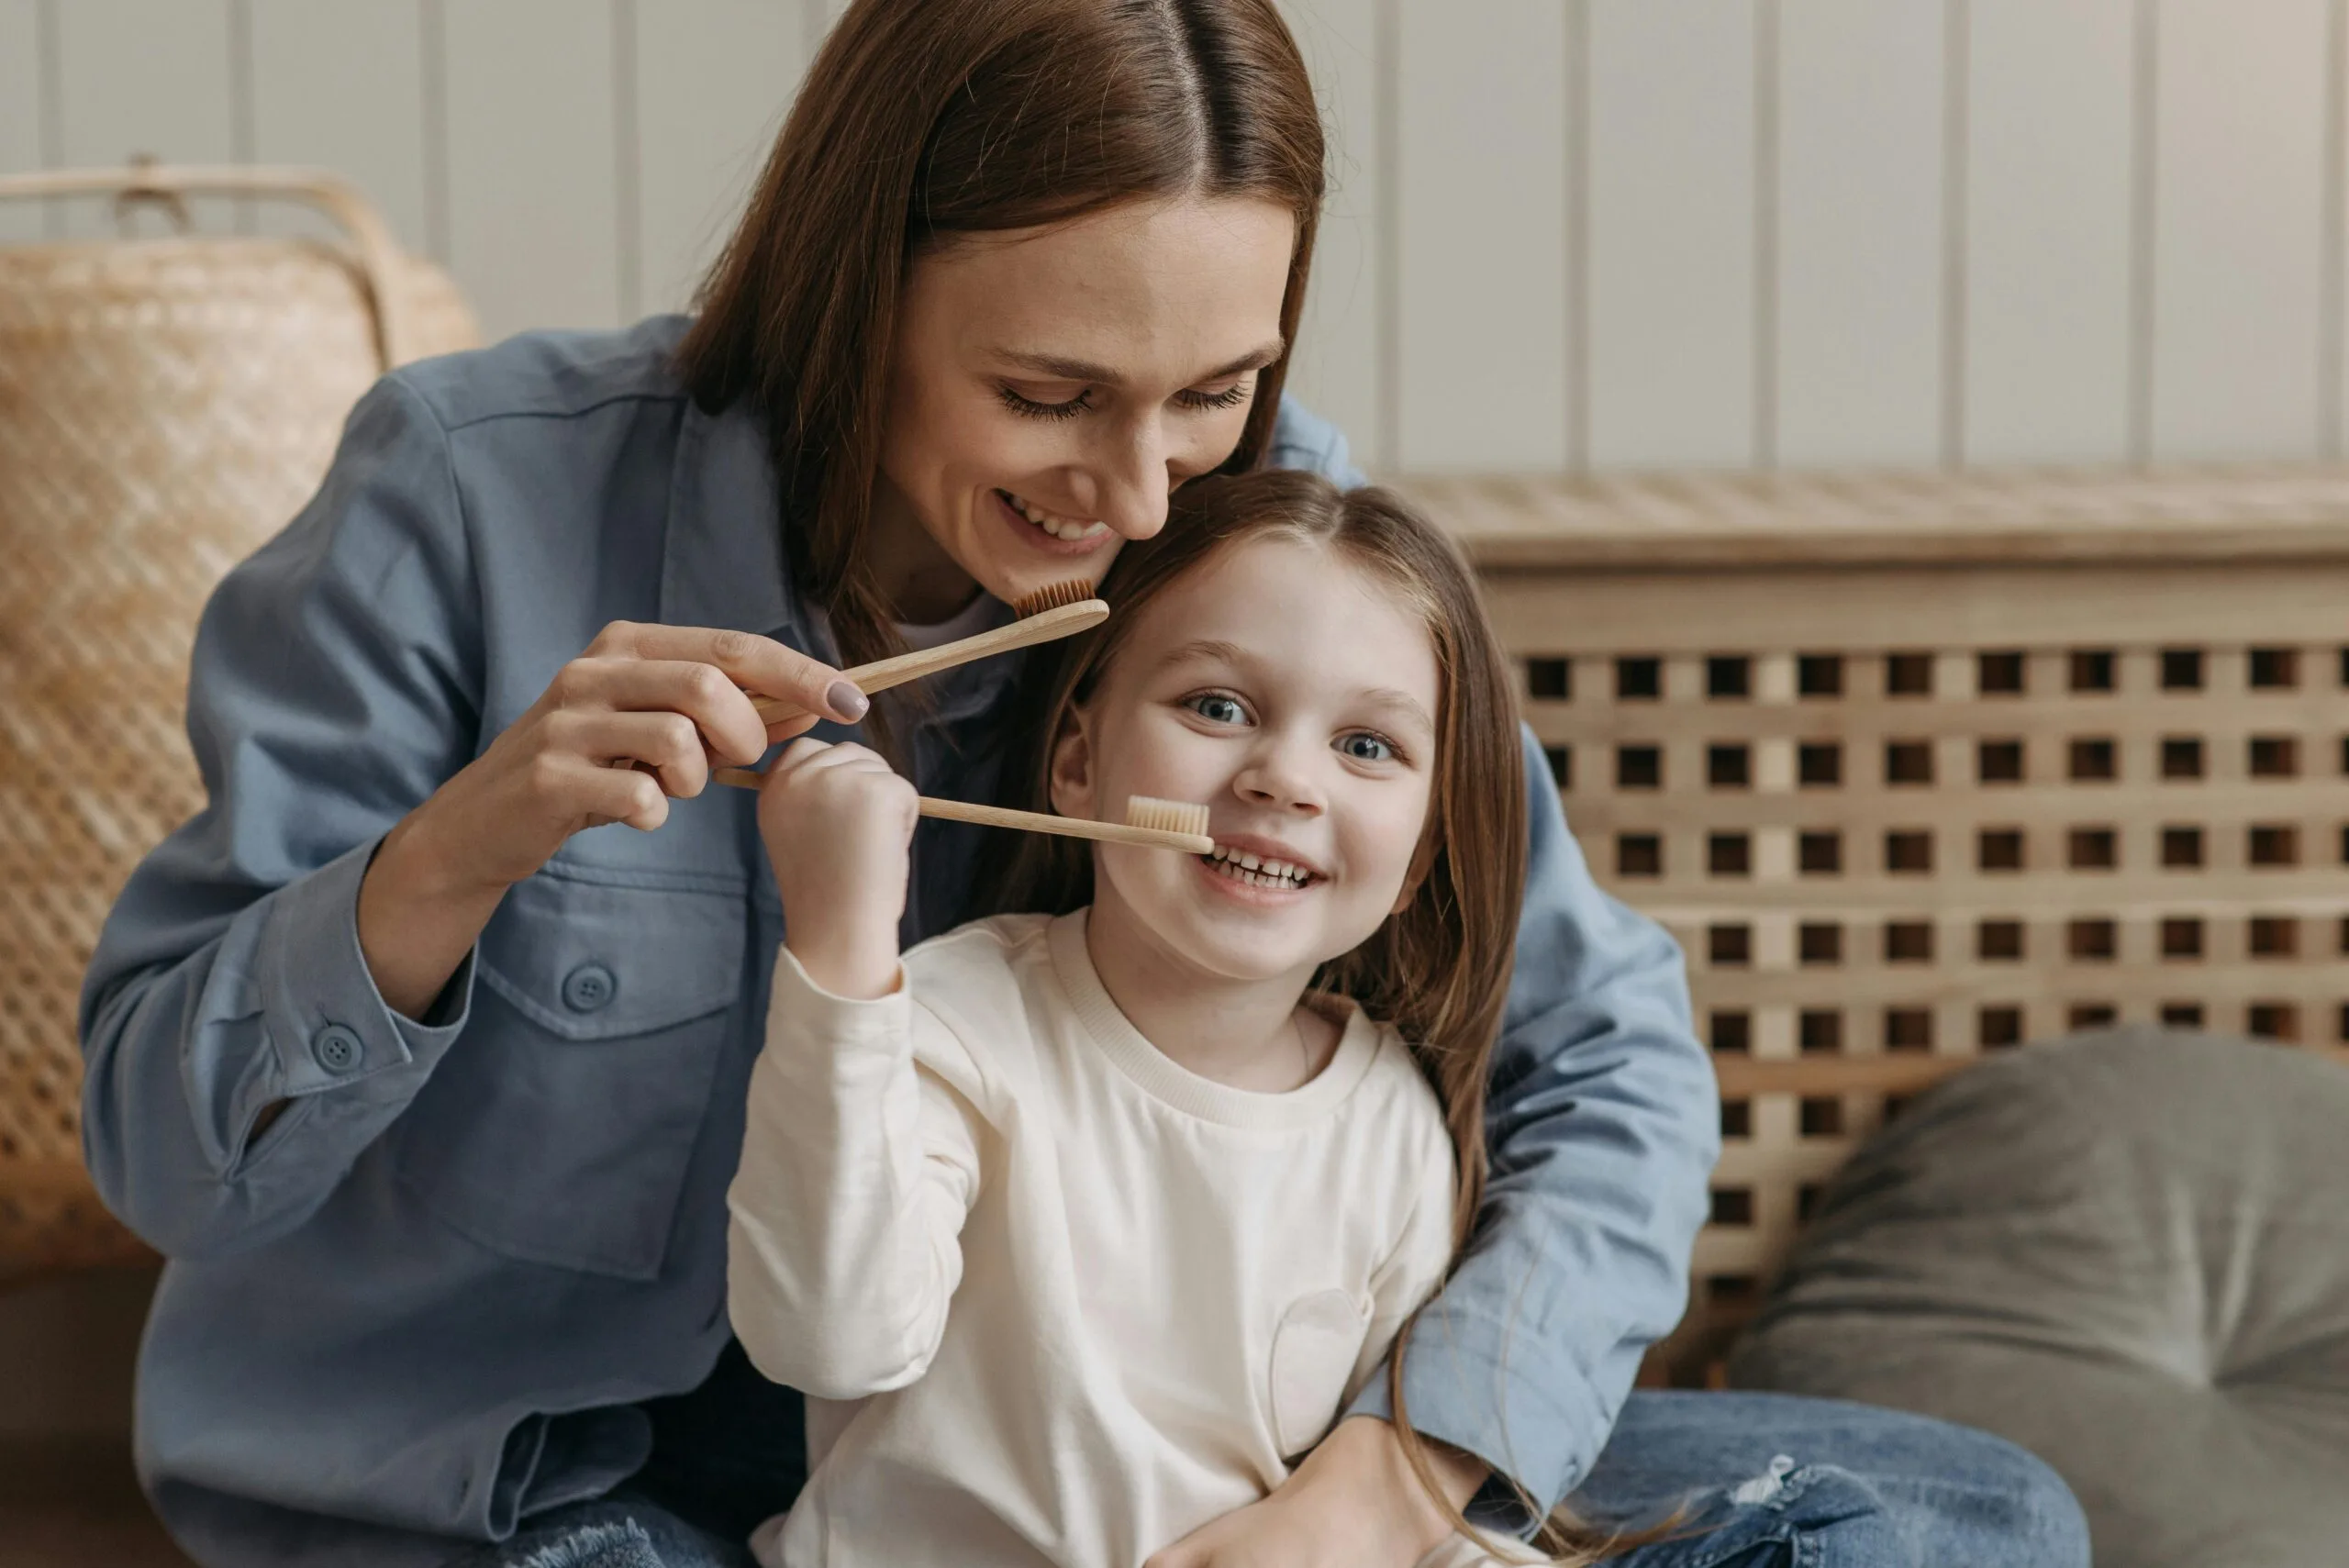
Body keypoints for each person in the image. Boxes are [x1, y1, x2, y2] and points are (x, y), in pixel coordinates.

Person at [76, 2, 2089, 1565]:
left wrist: (1393, 1474)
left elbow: (1603, 1056)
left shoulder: (1250, 543)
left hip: (1126, 1450)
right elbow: (161, 1152)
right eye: (1047, 396)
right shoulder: (460, 490)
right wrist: (460, 847)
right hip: (522, 1475)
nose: (1130, 498)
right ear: (852, 281)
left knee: (1961, 1512)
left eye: (1207, 394)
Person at [730, 471, 1560, 1567]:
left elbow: (1376, 1506)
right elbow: (826, 1337)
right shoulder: (954, 1020)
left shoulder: (1391, 1125)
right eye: (1217, 707)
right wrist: (841, 941)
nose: (1283, 778)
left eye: (1367, 746)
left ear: (1417, 862)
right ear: (1078, 765)